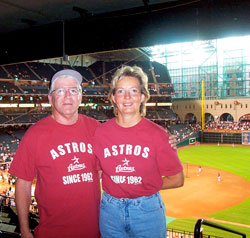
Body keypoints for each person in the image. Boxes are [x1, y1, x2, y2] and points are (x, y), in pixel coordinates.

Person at [93, 66, 184, 238]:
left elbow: (177, 179)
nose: (127, 97)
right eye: (121, 91)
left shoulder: (158, 134)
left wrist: (146, 186)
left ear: (142, 97)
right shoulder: (100, 132)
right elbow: (97, 171)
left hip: (147, 211)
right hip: (110, 211)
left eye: (133, 91)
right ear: (113, 97)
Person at [9, 69, 101, 238]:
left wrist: (164, 139)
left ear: (80, 96)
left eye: (73, 90)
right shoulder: (35, 134)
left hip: (94, 231)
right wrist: (24, 230)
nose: (68, 96)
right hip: (52, 232)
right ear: (50, 99)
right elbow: (23, 183)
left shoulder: (96, 128)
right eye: (60, 91)